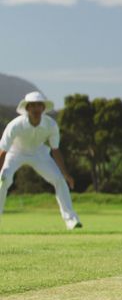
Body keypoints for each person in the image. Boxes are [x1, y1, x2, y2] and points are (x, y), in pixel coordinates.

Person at [0, 91, 81, 230]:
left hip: (39, 154)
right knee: (4, 179)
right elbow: (3, 151)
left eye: (39, 105)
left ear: (43, 108)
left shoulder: (51, 125)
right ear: (27, 108)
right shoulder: (15, 125)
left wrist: (66, 174)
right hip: (15, 153)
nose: (36, 109)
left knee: (59, 179)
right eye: (32, 106)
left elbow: (55, 150)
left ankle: (71, 220)